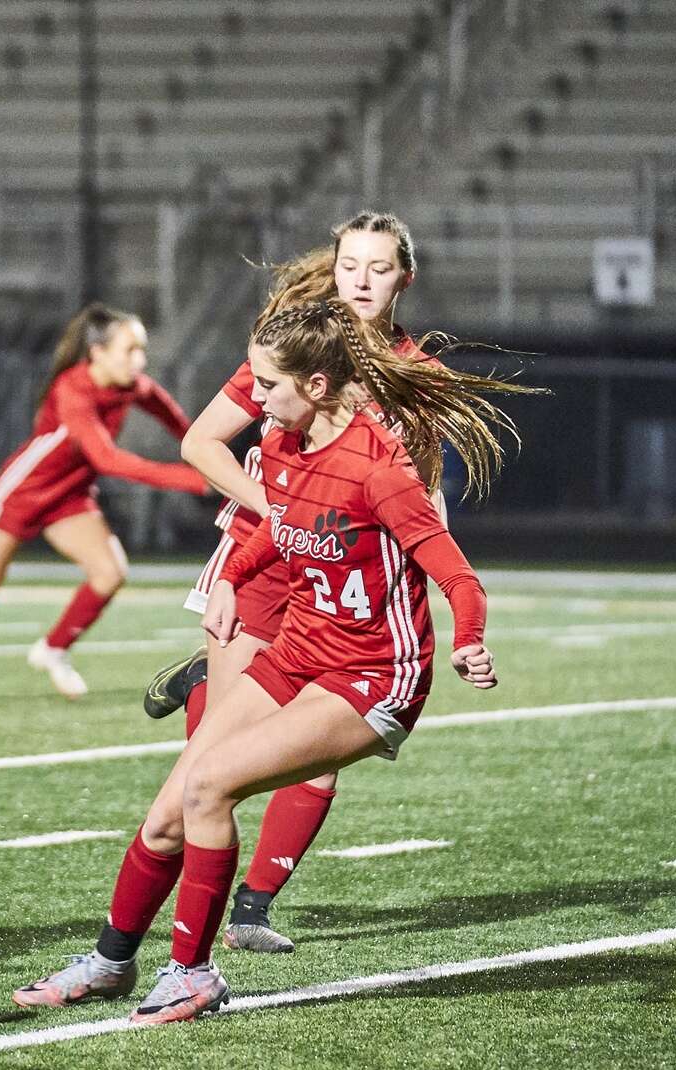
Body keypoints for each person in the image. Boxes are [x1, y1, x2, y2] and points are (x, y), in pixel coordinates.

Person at [14, 295, 518, 1025]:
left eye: (268, 387)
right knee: (167, 814)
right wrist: (231, 578)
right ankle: (109, 963)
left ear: (316, 386)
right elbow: (282, 528)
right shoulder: (283, 444)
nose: (255, 398)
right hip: (298, 653)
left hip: (374, 676)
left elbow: (457, 575)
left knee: (210, 786)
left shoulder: (379, 467)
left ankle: (192, 975)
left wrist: (469, 637)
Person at [143, 212, 452, 954]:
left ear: (404, 279)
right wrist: (277, 511)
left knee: (314, 745)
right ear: (335, 266)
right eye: (351, 265)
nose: (363, 281)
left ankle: (253, 903)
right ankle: (159, 931)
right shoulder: (297, 343)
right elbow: (200, 441)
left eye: (380, 269)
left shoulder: (418, 375)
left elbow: (424, 487)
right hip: (266, 559)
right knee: (205, 767)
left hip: (346, 576)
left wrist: (433, 555)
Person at [0, 302, 210, 707]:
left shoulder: (134, 386)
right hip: (23, 493)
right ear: (97, 352)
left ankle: (53, 649)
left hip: (71, 496)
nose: (140, 360)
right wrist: (196, 480)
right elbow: (107, 459)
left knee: (110, 573)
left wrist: (204, 451)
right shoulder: (73, 389)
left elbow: (177, 421)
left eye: (140, 350)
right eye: (129, 350)